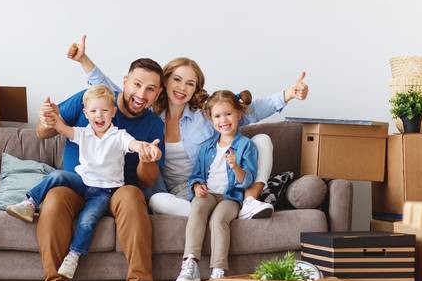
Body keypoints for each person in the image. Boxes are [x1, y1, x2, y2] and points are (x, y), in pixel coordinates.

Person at [67, 35, 309, 218]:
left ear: (196, 89)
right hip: (174, 194)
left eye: (190, 84)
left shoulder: (205, 115)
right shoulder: (149, 113)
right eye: (177, 80)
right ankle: (213, 215)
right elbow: (111, 90)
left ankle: (249, 201)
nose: (182, 88)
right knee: (156, 201)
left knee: (262, 140)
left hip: (209, 185)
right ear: (164, 82)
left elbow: (248, 111)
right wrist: (84, 61)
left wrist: (288, 94)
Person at [35, 58, 166, 281]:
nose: (141, 94)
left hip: (117, 189)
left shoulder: (152, 125)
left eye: (150, 89)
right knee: (54, 198)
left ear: (158, 93)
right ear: (125, 82)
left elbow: (147, 179)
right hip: (78, 187)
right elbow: (43, 131)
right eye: (137, 85)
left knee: (132, 195)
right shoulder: (91, 100)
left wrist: (145, 158)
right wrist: (47, 118)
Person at [6, 85, 161, 281]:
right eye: (94, 111)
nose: (99, 115)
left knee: (87, 221)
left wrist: (146, 148)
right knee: (57, 176)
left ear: (113, 112)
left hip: (104, 191)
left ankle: (74, 255)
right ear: (86, 114)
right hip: (82, 183)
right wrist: (52, 116)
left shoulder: (119, 136)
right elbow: (60, 127)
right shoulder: (83, 133)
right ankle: (29, 203)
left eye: (105, 110)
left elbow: (134, 144)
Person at [176, 90, 258, 281]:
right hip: (209, 193)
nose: (223, 120)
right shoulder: (207, 147)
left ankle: (218, 275)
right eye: (218, 116)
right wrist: (196, 186)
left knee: (218, 220)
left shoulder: (246, 145)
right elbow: (196, 175)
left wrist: (236, 166)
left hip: (231, 197)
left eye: (228, 114)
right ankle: (190, 263)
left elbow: (247, 181)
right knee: (197, 208)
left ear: (239, 114)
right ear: (210, 119)